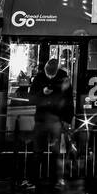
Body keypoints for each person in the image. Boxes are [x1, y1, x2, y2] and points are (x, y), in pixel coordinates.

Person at [30, 57, 72, 187]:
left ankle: (55, 180)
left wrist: (67, 119)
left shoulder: (64, 78)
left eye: (52, 75)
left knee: (56, 153)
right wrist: (42, 92)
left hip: (55, 119)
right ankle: (35, 180)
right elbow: (31, 98)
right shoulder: (39, 77)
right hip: (42, 119)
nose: (50, 77)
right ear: (45, 70)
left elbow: (69, 100)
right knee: (37, 152)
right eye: (48, 74)